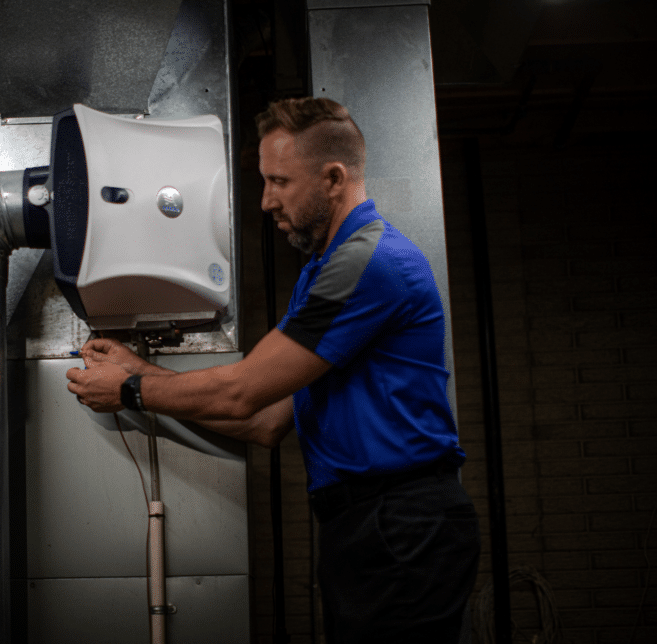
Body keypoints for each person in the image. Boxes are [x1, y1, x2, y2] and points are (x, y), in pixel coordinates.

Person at [65, 97, 480, 643]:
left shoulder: (368, 264)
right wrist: (138, 370)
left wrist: (130, 389)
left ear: (333, 178)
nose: (265, 201)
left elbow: (241, 393)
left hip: (401, 523)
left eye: (280, 181)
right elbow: (265, 420)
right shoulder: (323, 272)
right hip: (364, 523)